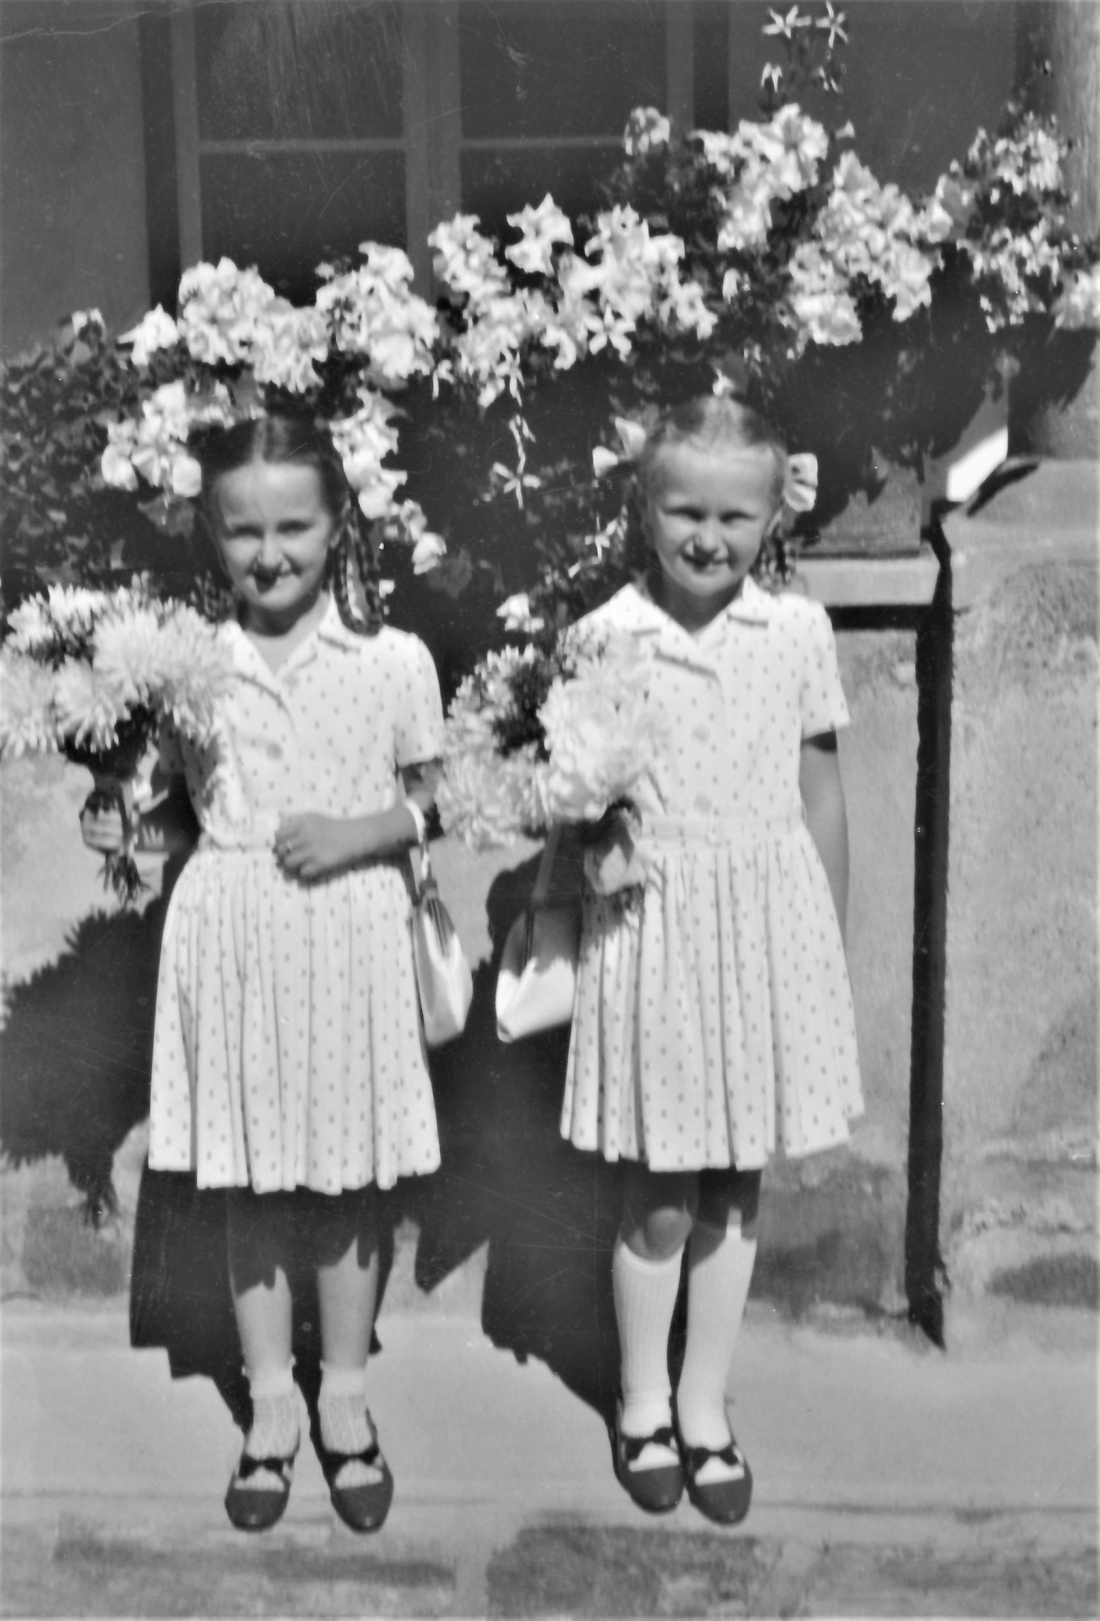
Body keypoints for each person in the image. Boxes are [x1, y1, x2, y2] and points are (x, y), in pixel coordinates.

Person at [81, 412, 445, 1534]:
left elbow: (437, 800)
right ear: (211, 535)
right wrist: (121, 810)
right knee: (247, 1181)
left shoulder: (391, 661)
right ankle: (270, 1404)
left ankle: (344, 1394)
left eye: (294, 525)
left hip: (348, 934)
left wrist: (359, 831)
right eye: (244, 531)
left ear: (338, 527)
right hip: (232, 937)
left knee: (343, 1185)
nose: (270, 552)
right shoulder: (188, 667)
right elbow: (172, 811)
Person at [559, 393, 863, 1525]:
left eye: (733, 516)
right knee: (659, 1197)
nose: (708, 536)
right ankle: (638, 1400)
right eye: (683, 508)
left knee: (734, 1191)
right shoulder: (605, 635)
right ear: (643, 509)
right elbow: (575, 803)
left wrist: (820, 944)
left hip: (762, 927)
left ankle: (702, 1405)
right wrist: (589, 859)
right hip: (652, 931)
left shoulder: (793, 632)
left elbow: (821, 794)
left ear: (770, 518)